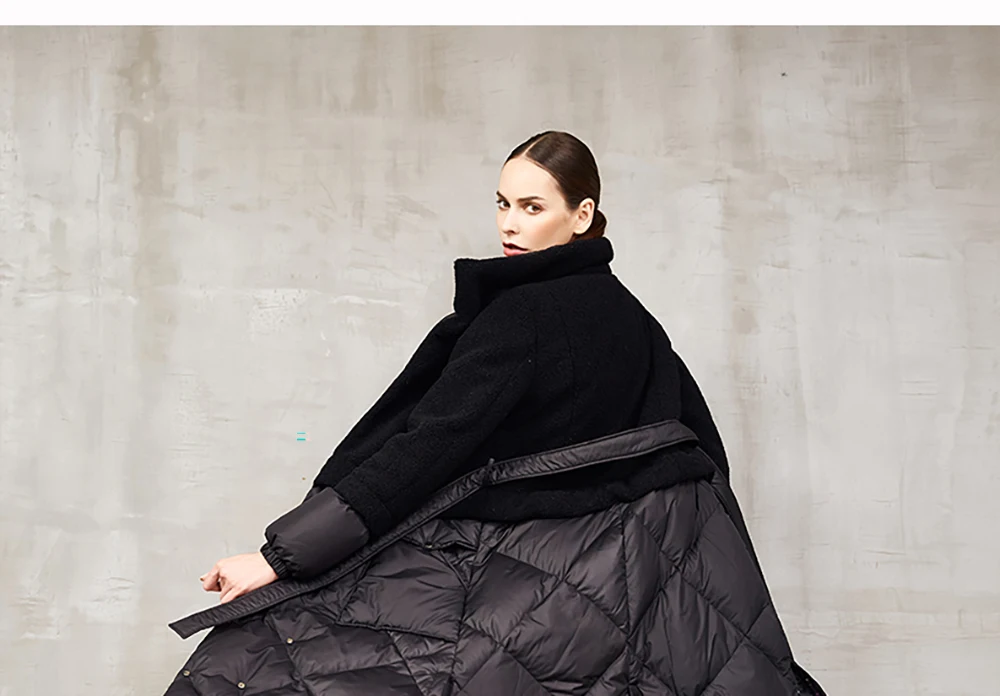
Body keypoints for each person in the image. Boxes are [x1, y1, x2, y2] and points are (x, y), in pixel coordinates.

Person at [166, 131, 825, 695]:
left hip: (516, 595)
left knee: (253, 666)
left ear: (582, 214)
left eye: (533, 207)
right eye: (503, 204)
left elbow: (425, 447)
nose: (510, 224)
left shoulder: (522, 314)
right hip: (628, 605)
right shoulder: (635, 320)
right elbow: (701, 454)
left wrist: (281, 558)